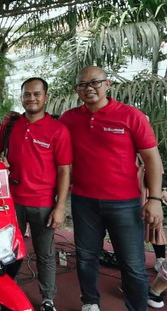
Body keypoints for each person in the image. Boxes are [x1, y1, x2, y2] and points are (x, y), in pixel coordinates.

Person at [59, 66, 163, 311]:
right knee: (85, 258)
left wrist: (155, 198)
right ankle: (90, 303)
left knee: (133, 265)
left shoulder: (130, 116)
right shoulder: (69, 119)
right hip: (84, 201)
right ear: (76, 90)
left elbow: (152, 160)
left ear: (107, 85)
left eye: (95, 82)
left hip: (124, 204)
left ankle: (137, 307)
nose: (89, 88)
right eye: (82, 85)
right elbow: (54, 151)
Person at [0, 77, 72, 311]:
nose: (31, 98)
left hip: (43, 204)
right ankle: (5, 295)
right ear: (22, 97)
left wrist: (60, 208)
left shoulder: (59, 130)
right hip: (11, 201)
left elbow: (64, 170)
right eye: (27, 94)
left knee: (45, 254)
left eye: (37, 94)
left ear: (46, 97)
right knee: (6, 252)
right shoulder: (10, 126)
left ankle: (48, 299)